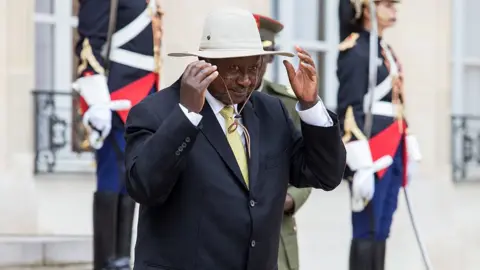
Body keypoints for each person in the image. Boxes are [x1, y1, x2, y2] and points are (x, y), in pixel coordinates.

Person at [125, 7, 346, 270]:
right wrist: (186, 116)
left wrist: (310, 107)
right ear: (204, 64)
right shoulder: (156, 112)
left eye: (254, 68)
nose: (246, 80)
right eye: (234, 69)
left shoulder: (272, 112)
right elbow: (144, 187)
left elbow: (326, 175)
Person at [73, 0, 163, 269]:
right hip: (116, 97)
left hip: (143, 95)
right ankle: (106, 262)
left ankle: (122, 260)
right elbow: (90, 40)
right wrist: (95, 94)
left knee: (130, 179)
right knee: (112, 177)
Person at [336, 1, 421, 269]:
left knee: (383, 226)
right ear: (365, 8)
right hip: (371, 152)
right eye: (385, 4)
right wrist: (359, 160)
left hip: (392, 146)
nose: (393, 9)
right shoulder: (356, 49)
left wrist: (407, 140)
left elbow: (397, 103)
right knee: (367, 227)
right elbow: (349, 108)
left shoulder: (385, 50)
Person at [252, 13, 312, 270]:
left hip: (277, 230)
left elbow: (308, 163)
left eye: (263, 59)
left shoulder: (285, 104)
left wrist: (289, 199)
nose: (255, 67)